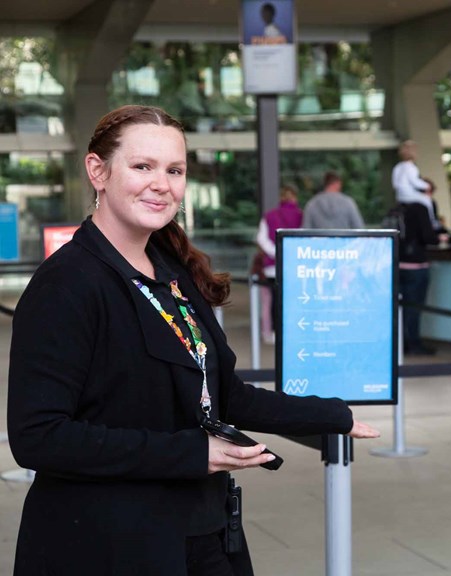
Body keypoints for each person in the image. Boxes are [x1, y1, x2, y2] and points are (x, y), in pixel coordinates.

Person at [6, 105, 379, 576]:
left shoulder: (172, 273)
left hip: (201, 531)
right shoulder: (67, 284)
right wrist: (192, 453)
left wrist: (331, 414)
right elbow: (39, 437)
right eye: (143, 166)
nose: (162, 183)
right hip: (109, 543)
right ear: (97, 171)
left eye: (174, 170)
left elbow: (224, 395)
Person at [255, 184, 302, 344]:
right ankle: (292, 331)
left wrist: (275, 252)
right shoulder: (301, 216)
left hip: (271, 267)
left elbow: (261, 238)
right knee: (292, 300)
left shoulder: (270, 216)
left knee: (273, 301)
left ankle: (273, 332)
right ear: (294, 198)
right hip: (294, 266)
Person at [398, 194, 441, 355]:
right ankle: (414, 342)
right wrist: (439, 237)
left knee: (401, 308)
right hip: (416, 264)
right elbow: (428, 236)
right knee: (414, 307)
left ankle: (401, 343)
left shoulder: (397, 208)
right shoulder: (420, 208)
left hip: (398, 263)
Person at [392, 140, 436, 226]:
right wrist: (427, 186)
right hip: (409, 195)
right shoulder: (411, 167)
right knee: (427, 200)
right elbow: (415, 182)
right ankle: (432, 222)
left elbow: (395, 184)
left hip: (400, 196)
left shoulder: (397, 167)